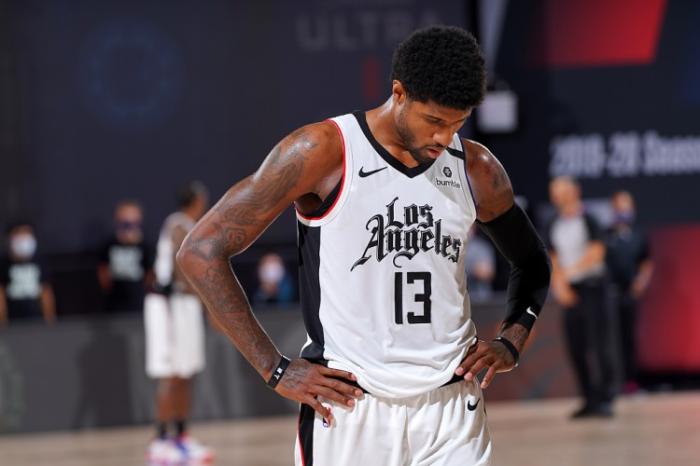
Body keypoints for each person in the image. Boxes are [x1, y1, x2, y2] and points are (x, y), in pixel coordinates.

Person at [178, 26, 550, 465]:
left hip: (452, 410)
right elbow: (201, 252)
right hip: (351, 406)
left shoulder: (476, 168)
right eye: (434, 121)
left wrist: (511, 340)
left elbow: (532, 262)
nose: (443, 137)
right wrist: (273, 368)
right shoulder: (324, 151)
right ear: (399, 93)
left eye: (457, 123)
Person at [144, 182, 213, 464]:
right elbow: (181, 266)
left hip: (185, 306)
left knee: (186, 372)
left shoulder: (189, 225)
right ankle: (160, 441)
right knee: (171, 373)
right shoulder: (178, 224)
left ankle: (181, 436)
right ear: (197, 201)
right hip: (168, 307)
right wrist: (210, 304)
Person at [547, 176, 617, 418]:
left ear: (574, 191)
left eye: (562, 191)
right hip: (570, 291)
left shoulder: (590, 220)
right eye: (554, 192)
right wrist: (559, 284)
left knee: (600, 345)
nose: (558, 196)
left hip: (593, 287)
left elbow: (596, 254)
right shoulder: (554, 223)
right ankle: (588, 398)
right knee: (576, 345)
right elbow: (553, 257)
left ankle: (605, 398)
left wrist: (569, 274)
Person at [606, 190, 653, 393]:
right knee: (610, 340)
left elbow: (646, 262)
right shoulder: (606, 235)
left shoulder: (639, 235)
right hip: (609, 295)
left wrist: (641, 282)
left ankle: (631, 382)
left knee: (629, 338)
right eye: (620, 207)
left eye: (627, 207)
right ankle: (613, 383)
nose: (624, 211)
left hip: (630, 295)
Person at [98, 200, 153, 312]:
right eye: (125, 223)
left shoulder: (145, 247)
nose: (129, 228)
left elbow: (150, 275)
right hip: (114, 304)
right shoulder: (109, 245)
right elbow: (103, 273)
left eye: (133, 223)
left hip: (139, 304)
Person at [0, 222, 55, 325]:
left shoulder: (40, 262)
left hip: (36, 319)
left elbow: (46, 291)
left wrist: (49, 319)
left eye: (26, 234)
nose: (23, 239)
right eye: (19, 234)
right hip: (13, 321)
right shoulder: (3, 264)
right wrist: (2, 322)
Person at [464, 226, 496, 302]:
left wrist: (466, 268)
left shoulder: (481, 246)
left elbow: (487, 273)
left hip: (479, 298)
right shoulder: (450, 246)